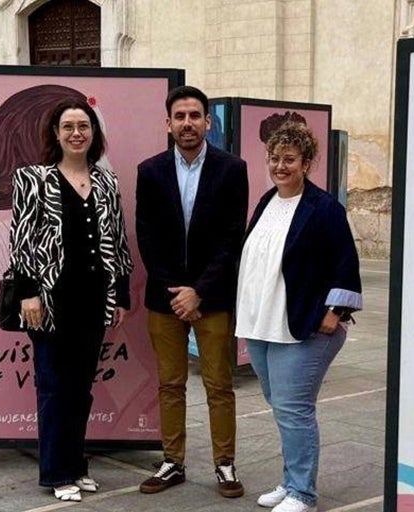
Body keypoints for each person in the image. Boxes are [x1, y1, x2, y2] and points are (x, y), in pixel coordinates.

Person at [8, 98, 134, 502]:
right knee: (53, 388)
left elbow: (118, 241)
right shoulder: (34, 178)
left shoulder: (107, 182)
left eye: (83, 126)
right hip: (49, 301)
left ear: (94, 134)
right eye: (68, 126)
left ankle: (77, 466)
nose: (76, 133)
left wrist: (122, 296)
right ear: (55, 134)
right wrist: (28, 292)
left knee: (81, 390)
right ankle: (56, 473)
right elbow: (21, 240)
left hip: (95, 299)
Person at [235, 121, 362, 512]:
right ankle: (290, 482)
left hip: (304, 325)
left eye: (289, 159)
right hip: (262, 323)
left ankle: (303, 493)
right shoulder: (267, 201)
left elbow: (346, 263)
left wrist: (334, 312)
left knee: (294, 408)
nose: (280, 166)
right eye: (274, 158)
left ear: (306, 163)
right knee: (281, 405)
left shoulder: (324, 209)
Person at [135, 85, 248, 498]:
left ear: (208, 122)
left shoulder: (232, 169)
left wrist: (198, 291)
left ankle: (225, 464)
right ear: (168, 124)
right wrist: (176, 293)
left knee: (219, 384)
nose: (187, 123)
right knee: (170, 384)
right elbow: (146, 237)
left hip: (212, 298)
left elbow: (232, 238)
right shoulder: (149, 171)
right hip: (165, 300)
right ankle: (172, 462)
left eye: (195, 115)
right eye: (179, 116)